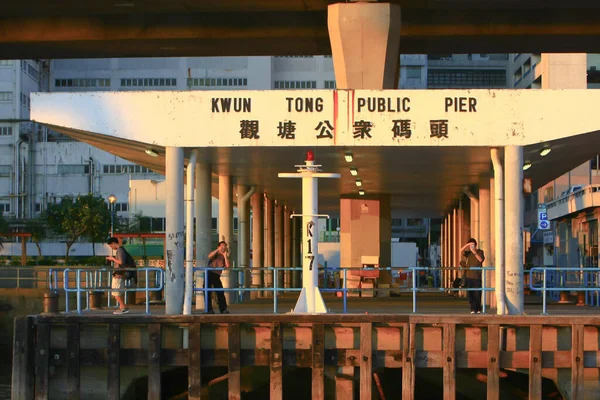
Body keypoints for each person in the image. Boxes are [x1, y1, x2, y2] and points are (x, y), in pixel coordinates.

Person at [460, 238, 485, 314]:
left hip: (477, 276)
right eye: (470, 245)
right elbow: (461, 250)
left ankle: (478, 308)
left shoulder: (480, 252)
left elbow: (480, 260)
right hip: (469, 276)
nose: (471, 247)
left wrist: (474, 252)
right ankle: (472, 309)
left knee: (477, 293)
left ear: (475, 245)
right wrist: (467, 245)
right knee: (470, 294)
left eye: (473, 245)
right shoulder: (468, 253)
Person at [106, 237, 130, 315]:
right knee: (118, 292)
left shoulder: (120, 250)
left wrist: (112, 259)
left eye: (111, 246)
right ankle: (121, 307)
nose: (111, 247)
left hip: (118, 274)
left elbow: (120, 262)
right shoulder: (121, 250)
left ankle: (123, 307)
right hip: (119, 274)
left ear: (113, 243)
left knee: (116, 292)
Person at [206, 241, 230, 314]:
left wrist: (225, 255)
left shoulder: (224, 256)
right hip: (209, 273)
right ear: (218, 247)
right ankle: (209, 309)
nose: (223, 247)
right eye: (222, 246)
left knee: (220, 291)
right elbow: (209, 256)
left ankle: (223, 309)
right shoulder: (215, 253)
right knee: (207, 291)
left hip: (216, 275)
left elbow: (227, 265)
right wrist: (218, 250)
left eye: (225, 246)